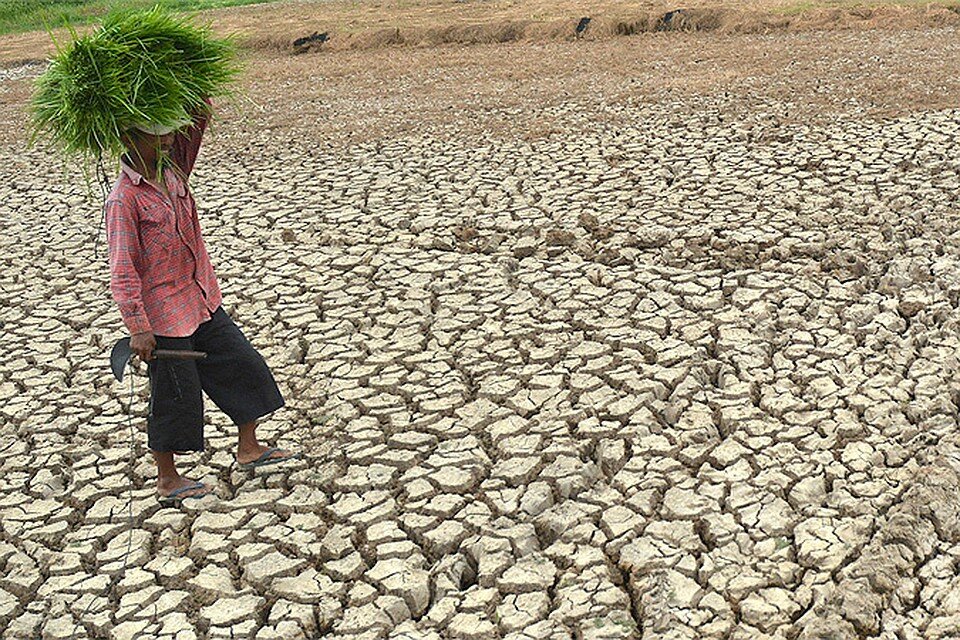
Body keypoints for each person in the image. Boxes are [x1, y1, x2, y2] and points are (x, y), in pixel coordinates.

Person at [105, 102, 296, 505]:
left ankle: (249, 448)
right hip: (164, 317)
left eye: (169, 133)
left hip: (200, 298)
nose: (168, 139)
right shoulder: (125, 200)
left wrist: (192, 88)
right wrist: (138, 327)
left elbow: (195, 123)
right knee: (176, 398)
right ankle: (168, 480)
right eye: (157, 135)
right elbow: (123, 269)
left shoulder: (173, 169)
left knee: (243, 365)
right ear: (129, 138)